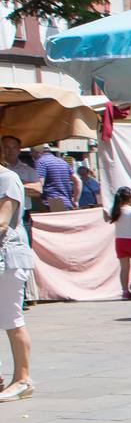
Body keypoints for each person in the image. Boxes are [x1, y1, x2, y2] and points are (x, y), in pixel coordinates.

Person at [0, 163, 34, 402]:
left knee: (11, 319)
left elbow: (2, 221)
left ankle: (22, 379)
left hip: (8, 257)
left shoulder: (7, 178)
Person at [107, 186, 131, 299]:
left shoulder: (114, 210)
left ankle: (125, 291)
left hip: (120, 241)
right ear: (130, 198)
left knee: (124, 268)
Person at [32, 145, 77, 212]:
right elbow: (78, 181)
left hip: (52, 203)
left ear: (37, 152)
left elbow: (39, 184)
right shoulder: (63, 162)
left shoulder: (41, 162)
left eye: (32, 152)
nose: (31, 154)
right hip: (67, 202)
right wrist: (76, 200)